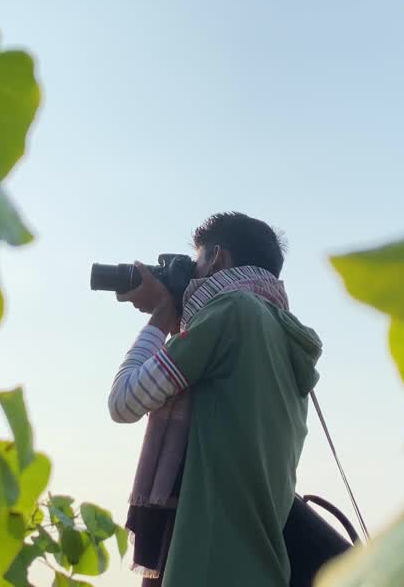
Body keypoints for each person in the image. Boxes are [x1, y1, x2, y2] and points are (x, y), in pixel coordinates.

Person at [108, 212, 323, 586]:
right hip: (262, 569)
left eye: (198, 261)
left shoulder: (230, 312)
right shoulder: (286, 341)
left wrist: (161, 318)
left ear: (218, 259)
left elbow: (125, 401)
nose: (192, 273)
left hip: (204, 566)